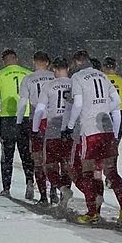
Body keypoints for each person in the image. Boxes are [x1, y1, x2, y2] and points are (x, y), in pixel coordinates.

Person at [61, 49, 122, 225]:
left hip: (91, 129)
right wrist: (102, 109)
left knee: (88, 171)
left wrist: (70, 126)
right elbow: (116, 101)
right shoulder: (102, 76)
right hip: (106, 127)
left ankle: (92, 212)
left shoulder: (78, 78)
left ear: (78, 63)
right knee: (109, 170)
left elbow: (77, 103)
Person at [0, 48, 33, 198]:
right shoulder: (28, 74)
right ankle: (30, 182)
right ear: (16, 59)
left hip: (8, 118)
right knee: (27, 154)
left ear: (4, 61)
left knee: (7, 155)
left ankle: (6, 188)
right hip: (25, 117)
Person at [32, 56, 74, 212]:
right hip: (70, 130)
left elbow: (40, 110)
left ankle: (62, 189)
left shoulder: (50, 85)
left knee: (49, 166)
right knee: (66, 166)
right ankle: (64, 200)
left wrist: (35, 130)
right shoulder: (74, 84)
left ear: (54, 70)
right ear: (68, 69)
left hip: (54, 129)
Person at [16, 50, 56, 204]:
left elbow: (22, 103)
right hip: (53, 122)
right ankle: (54, 189)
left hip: (37, 122)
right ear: (47, 63)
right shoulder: (54, 77)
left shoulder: (28, 79)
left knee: (38, 160)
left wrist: (19, 122)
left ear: (34, 62)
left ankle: (43, 196)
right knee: (53, 158)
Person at [102, 56, 122, 141]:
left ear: (103, 67)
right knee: (116, 141)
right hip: (120, 112)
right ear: (116, 67)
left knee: (104, 141)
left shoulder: (101, 80)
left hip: (105, 112)